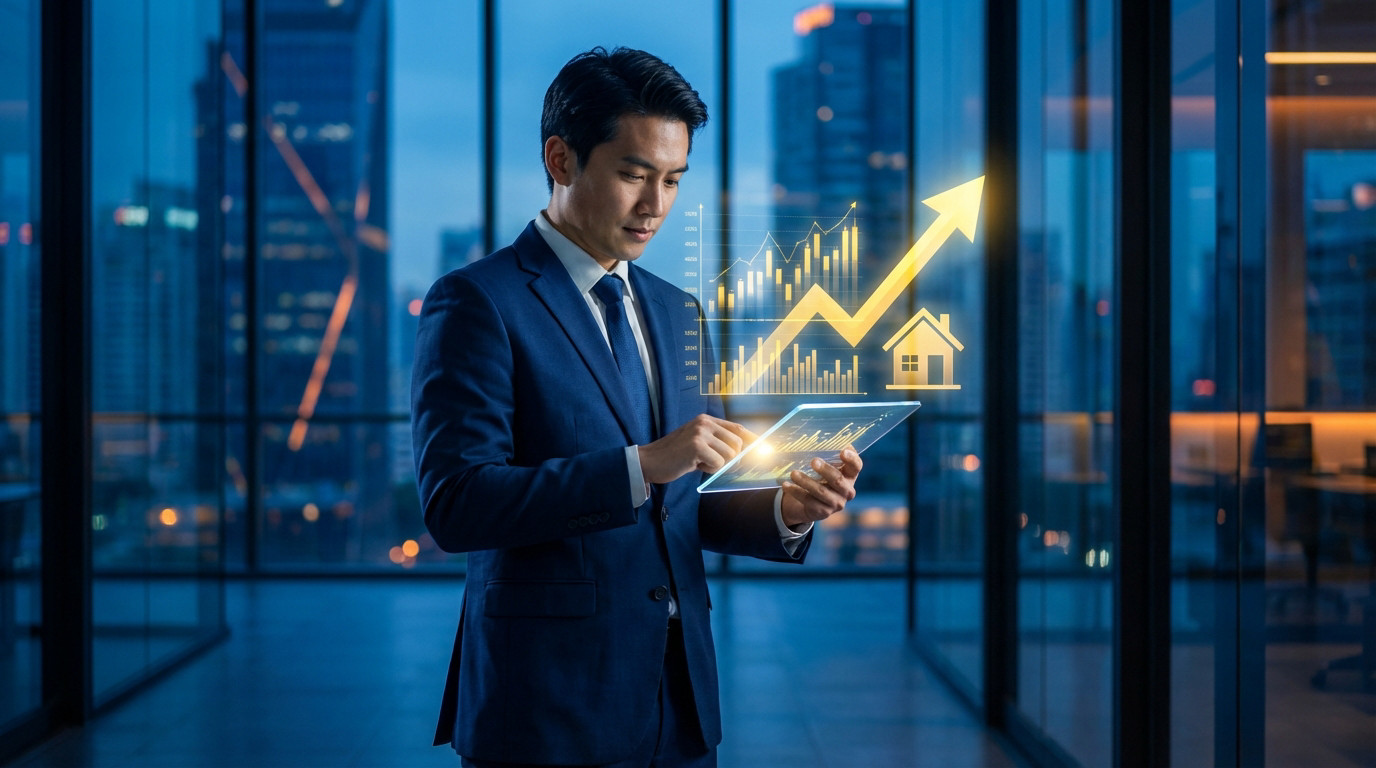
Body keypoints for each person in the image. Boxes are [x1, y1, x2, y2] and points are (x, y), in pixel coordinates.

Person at [411, 46, 863, 768]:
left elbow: (684, 502)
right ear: (561, 159)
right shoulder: (478, 302)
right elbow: (458, 504)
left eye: (674, 180)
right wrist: (641, 464)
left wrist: (789, 510)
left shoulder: (677, 311)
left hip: (679, 707)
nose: (656, 205)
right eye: (632, 174)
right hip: (546, 707)